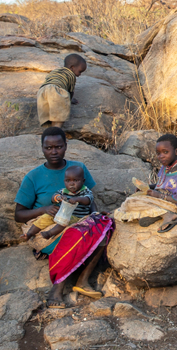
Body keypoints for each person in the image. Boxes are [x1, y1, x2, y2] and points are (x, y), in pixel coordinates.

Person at [14, 127, 109, 307]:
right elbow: (18, 215)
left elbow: (89, 197)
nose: (54, 151)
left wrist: (95, 216)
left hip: (74, 221)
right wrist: (44, 209)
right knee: (73, 236)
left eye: (58, 146)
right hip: (45, 226)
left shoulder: (78, 168)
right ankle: (57, 290)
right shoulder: (33, 177)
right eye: (48, 148)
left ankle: (83, 280)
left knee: (103, 231)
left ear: (65, 146)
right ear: (42, 148)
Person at [22, 165, 94, 241]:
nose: (71, 183)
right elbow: (53, 197)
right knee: (46, 217)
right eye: (68, 181)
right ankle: (29, 233)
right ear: (64, 181)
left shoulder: (85, 191)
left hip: (76, 217)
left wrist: (78, 199)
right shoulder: (63, 191)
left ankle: (49, 233)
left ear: (83, 181)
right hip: (61, 213)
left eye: (75, 180)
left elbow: (88, 200)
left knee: (64, 221)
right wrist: (58, 198)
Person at [144, 133, 177, 233]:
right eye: (158, 153)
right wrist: (146, 187)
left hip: (173, 206)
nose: (161, 156)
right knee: (135, 198)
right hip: (162, 201)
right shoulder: (166, 166)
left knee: (134, 202)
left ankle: (168, 215)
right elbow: (162, 185)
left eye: (165, 152)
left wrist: (159, 196)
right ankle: (158, 214)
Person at [36, 53, 87, 127]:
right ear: (72, 67)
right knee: (59, 119)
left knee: (47, 118)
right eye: (80, 71)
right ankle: (57, 132)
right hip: (56, 90)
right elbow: (70, 91)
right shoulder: (71, 75)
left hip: (42, 91)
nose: (80, 75)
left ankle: (49, 134)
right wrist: (69, 99)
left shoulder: (55, 71)